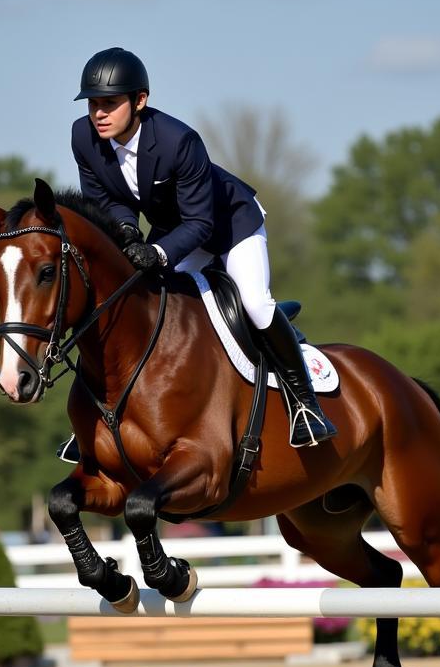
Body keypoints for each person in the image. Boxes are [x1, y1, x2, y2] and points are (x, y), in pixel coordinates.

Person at [61, 46, 336, 458]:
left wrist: (157, 253)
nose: (99, 113)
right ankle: (97, 415)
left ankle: (305, 407)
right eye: (94, 104)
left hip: (228, 225)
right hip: (174, 229)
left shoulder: (179, 141)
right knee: (129, 298)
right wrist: (124, 230)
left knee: (256, 305)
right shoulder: (83, 137)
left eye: (110, 104)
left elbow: (202, 224)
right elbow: (104, 199)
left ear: (140, 101)